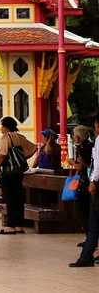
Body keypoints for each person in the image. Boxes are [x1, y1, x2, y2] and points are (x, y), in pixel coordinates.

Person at [0, 116, 37, 235]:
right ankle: (19, 225)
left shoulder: (5, 138)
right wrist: (21, 158)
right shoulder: (20, 137)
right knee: (18, 198)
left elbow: (1, 155)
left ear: (5, 126)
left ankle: (10, 225)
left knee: (9, 198)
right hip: (19, 172)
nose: (1, 128)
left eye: (2, 126)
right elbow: (33, 148)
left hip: (8, 172)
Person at [70, 114, 99, 267]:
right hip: (92, 182)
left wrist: (93, 181)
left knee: (93, 219)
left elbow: (94, 166)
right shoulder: (91, 144)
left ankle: (87, 254)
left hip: (94, 184)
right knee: (92, 221)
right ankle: (87, 253)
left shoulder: (93, 144)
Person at [71, 125, 94, 235]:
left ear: (78, 137)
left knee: (83, 210)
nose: (73, 138)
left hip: (85, 182)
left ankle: (88, 237)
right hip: (90, 181)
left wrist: (72, 163)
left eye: (74, 136)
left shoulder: (82, 148)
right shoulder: (91, 145)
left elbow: (81, 166)